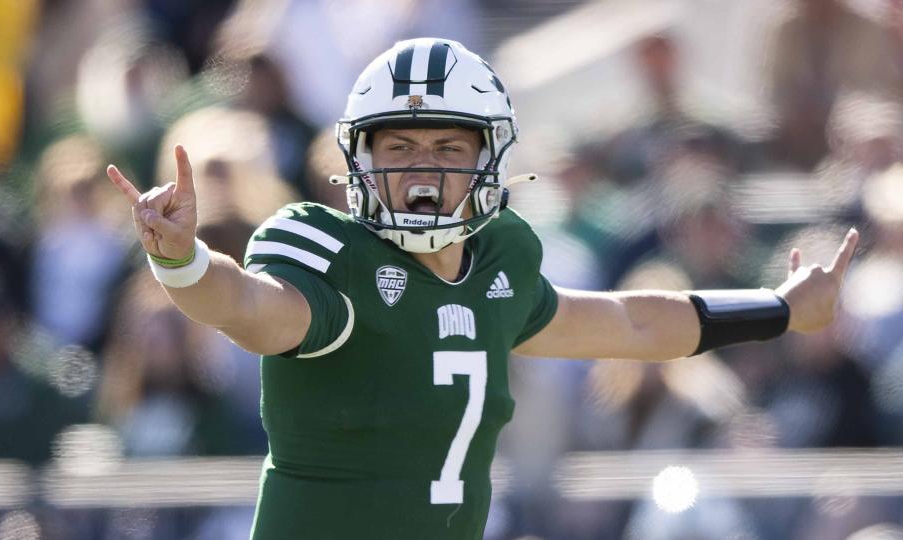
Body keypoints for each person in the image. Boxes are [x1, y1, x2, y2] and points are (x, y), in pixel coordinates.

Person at [105, 38, 859, 540]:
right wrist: (185, 264)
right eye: (398, 146)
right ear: (359, 161)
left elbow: (631, 324)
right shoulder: (330, 254)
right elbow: (248, 307)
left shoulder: (497, 268)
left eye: (446, 146)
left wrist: (782, 309)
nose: (422, 167)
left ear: (489, 158)